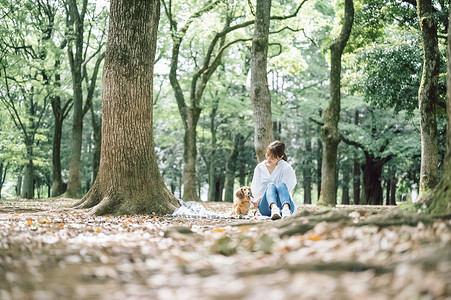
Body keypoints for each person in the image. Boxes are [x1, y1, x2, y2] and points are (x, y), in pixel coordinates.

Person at [251, 140, 297, 220]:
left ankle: (286, 210)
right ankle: (274, 209)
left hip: (284, 204)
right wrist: (258, 199)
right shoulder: (259, 168)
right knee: (270, 186)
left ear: (281, 157)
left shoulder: (286, 168)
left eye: (272, 157)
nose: (268, 158)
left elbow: (286, 189)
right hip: (266, 207)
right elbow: (256, 189)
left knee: (281, 185)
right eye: (267, 155)